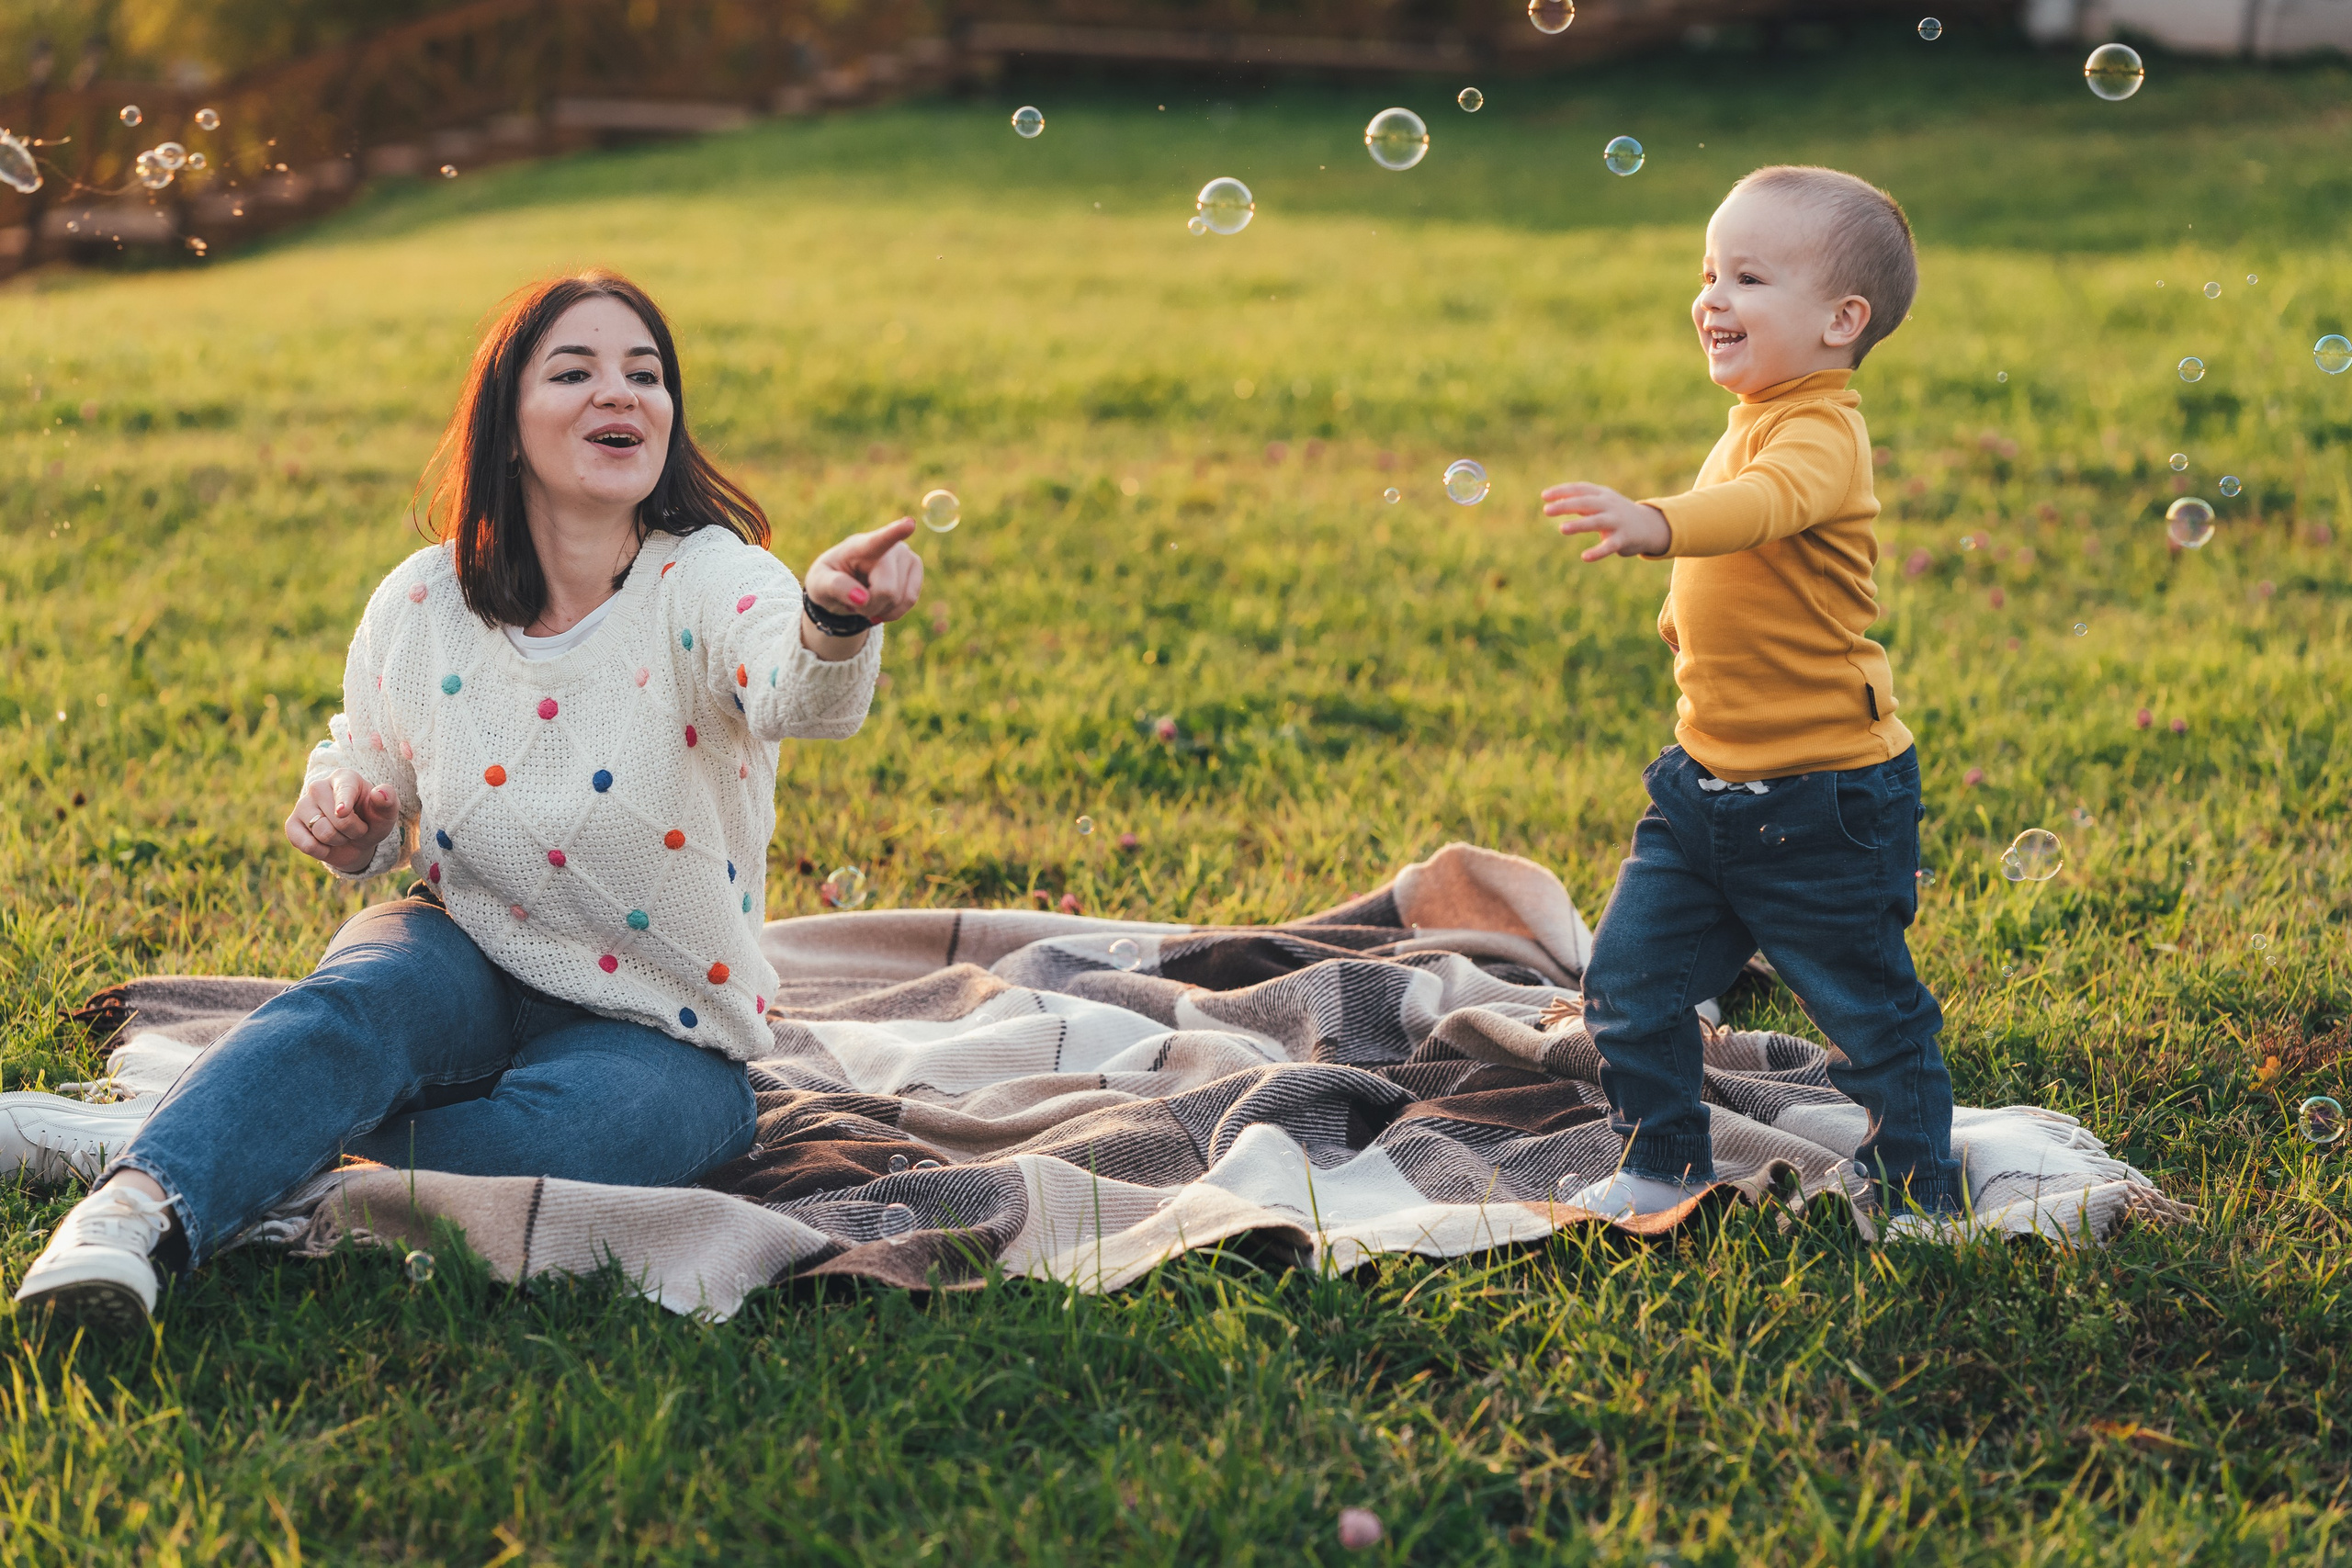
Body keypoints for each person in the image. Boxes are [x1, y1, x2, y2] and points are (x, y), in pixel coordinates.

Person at [13, 270, 924, 1329]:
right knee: (359, 1005)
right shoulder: (422, 602)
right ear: (507, 424)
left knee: (591, 1142)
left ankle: (183, 1138)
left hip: (659, 1027)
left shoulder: (713, 580)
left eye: (645, 373)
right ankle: (129, 1216)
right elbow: (367, 779)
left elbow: (794, 688)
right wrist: (343, 815)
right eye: (574, 371)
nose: (620, 393)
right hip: (463, 959)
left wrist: (832, 617)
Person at [1540, 166, 1961, 1226]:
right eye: (1708, 273)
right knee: (1628, 988)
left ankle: (1915, 1189)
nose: (1712, 298)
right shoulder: (1758, 412)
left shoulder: (1820, 432)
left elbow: (1762, 511)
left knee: (1869, 1014)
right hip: (1703, 790)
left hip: (1820, 801)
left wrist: (1658, 523)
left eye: (1748, 276)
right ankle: (1662, 1161)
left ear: (1839, 322)